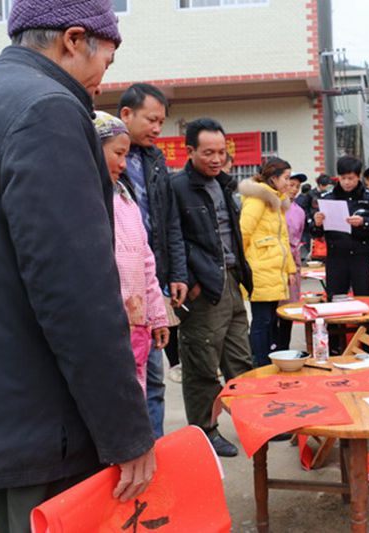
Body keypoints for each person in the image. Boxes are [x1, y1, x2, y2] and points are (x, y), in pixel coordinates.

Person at [0, 2, 156, 530]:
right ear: (73, 39)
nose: (104, 79)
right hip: (42, 410)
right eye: (106, 59)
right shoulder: (47, 109)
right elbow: (75, 290)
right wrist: (126, 431)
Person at [170, 117, 254, 457]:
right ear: (190, 151)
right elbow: (171, 238)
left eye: (221, 152)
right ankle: (205, 431)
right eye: (208, 153)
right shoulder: (177, 188)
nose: (217, 159)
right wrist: (188, 282)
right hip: (202, 288)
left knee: (240, 358)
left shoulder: (224, 183)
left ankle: (251, 420)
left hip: (231, 280)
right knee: (202, 363)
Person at [118, 82, 188, 439]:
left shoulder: (156, 159)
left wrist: (176, 273)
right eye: (151, 120)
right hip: (119, 282)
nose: (158, 128)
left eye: (161, 121)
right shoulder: (102, 156)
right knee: (126, 378)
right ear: (126, 114)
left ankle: (155, 446)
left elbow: (169, 221)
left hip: (152, 278)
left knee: (155, 375)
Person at [95, 111, 170, 392]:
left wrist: (157, 315)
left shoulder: (126, 200)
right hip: (104, 328)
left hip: (137, 323)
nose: (123, 164)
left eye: (126, 155)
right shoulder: (82, 201)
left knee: (140, 392)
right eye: (118, 153)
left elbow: (146, 262)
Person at [238, 159, 297, 367]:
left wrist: (290, 270)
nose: (289, 183)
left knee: (270, 320)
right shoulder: (258, 200)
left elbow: (283, 240)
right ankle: (260, 363)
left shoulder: (276, 201)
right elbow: (243, 233)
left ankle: (267, 360)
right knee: (262, 321)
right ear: (273, 178)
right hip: (260, 269)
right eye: (286, 178)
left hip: (273, 270)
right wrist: (244, 267)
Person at [309, 156, 369, 299]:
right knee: (336, 298)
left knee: (366, 298)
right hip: (336, 256)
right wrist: (317, 223)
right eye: (343, 178)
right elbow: (315, 232)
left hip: (362, 256)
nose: (346, 182)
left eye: (351, 178)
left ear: (358, 176)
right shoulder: (327, 198)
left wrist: (364, 222)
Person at [278, 172, 308, 349]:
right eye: (291, 184)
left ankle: (284, 346)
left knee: (289, 308)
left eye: (297, 186)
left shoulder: (299, 211)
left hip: (293, 262)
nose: (295, 189)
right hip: (276, 263)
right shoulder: (273, 207)